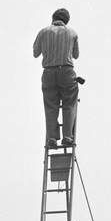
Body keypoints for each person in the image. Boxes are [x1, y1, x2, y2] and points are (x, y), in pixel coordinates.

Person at [33, 8, 79, 148]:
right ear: (66, 21)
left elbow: (35, 53)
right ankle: (67, 137)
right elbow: (76, 55)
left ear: (53, 18)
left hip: (49, 72)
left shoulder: (43, 32)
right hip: (66, 71)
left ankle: (52, 138)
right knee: (69, 103)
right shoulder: (72, 33)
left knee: (51, 106)